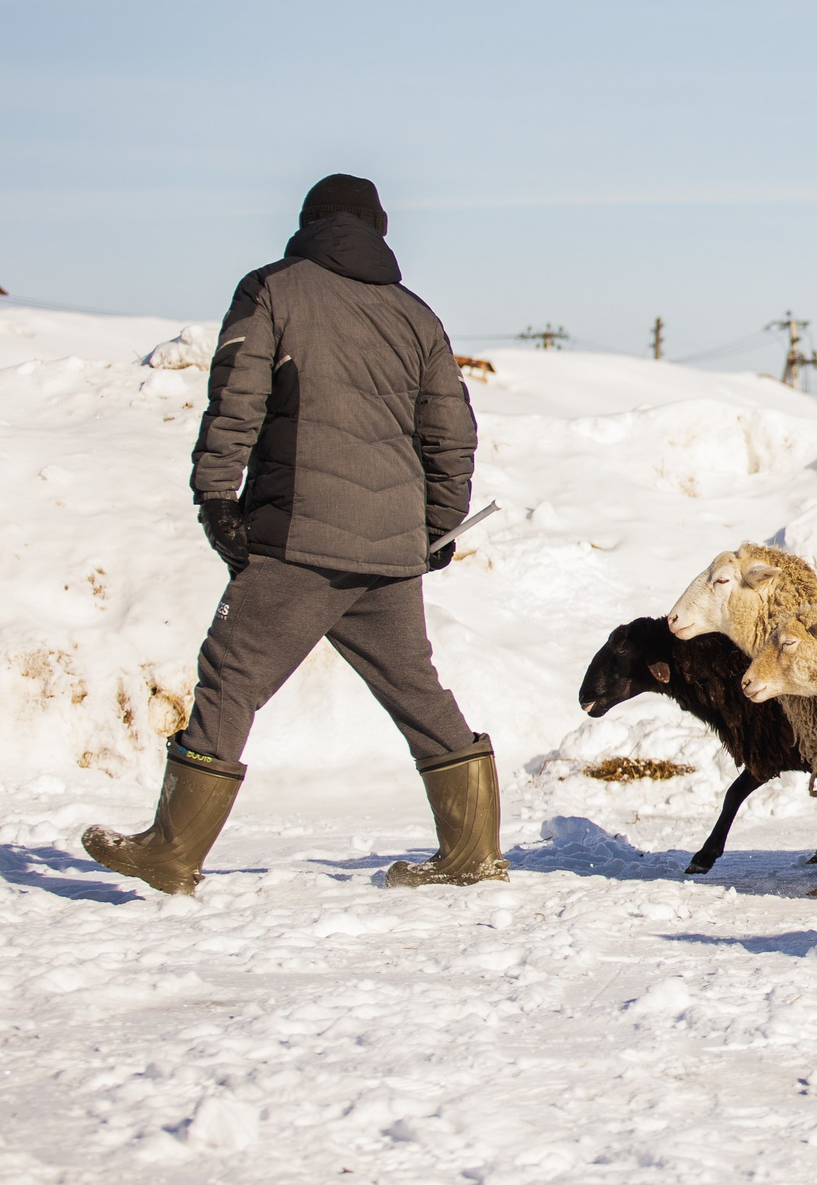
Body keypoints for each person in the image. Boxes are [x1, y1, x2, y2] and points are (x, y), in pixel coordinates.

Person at [83, 174, 505, 895]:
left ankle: (171, 851)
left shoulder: (272, 289)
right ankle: (472, 850)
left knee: (230, 673)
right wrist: (433, 528)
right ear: (378, 228)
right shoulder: (416, 315)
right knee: (415, 686)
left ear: (310, 222)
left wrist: (217, 495)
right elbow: (452, 435)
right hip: (390, 548)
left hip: (299, 539)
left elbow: (236, 402)